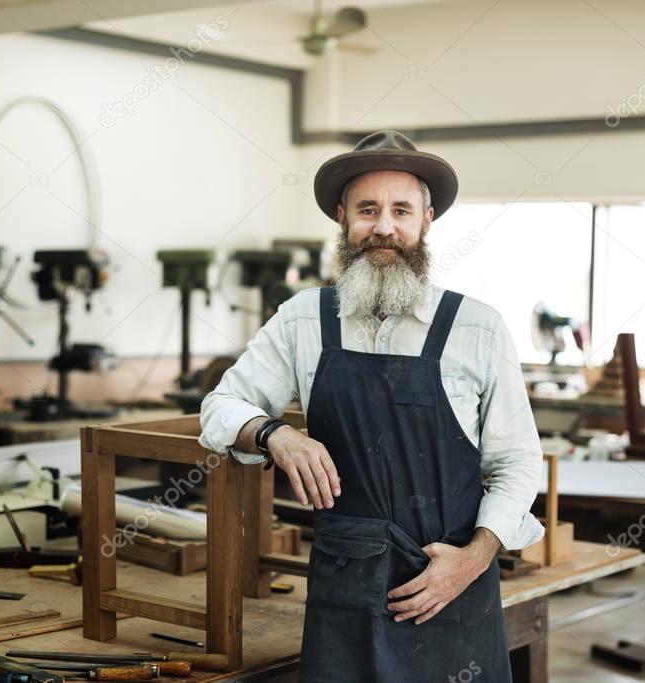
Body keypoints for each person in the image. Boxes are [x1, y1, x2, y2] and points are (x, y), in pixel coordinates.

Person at [199, 130, 543, 682]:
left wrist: (473, 560)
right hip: (345, 589)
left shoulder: (477, 327)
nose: (384, 226)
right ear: (343, 218)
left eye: (401, 210)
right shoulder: (304, 318)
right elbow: (219, 407)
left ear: (426, 221)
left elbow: (518, 463)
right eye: (367, 209)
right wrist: (274, 435)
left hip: (448, 584)